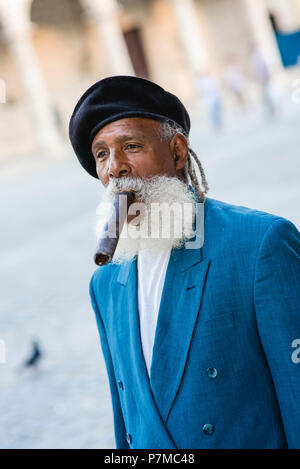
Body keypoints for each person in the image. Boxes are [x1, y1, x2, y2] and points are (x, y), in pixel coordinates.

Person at [69, 76, 300, 449]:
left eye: (131, 146)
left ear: (177, 153)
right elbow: (127, 420)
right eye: (102, 154)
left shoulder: (260, 245)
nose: (115, 167)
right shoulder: (106, 283)